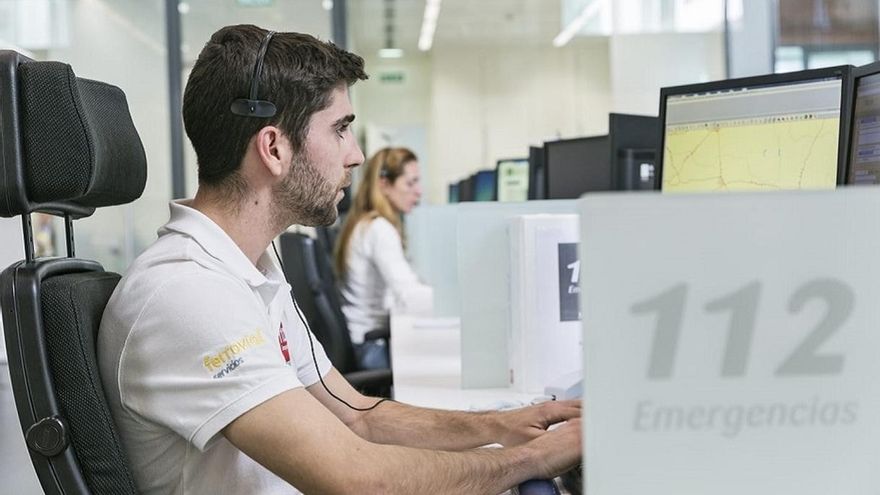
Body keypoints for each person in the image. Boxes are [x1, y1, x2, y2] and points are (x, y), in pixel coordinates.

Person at [98, 24, 580, 494]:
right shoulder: (187, 294)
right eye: (341, 130)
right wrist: (530, 460)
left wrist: (503, 425)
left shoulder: (247, 268)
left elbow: (356, 416)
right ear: (274, 148)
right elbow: (358, 479)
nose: (356, 155)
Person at [333, 147, 428, 370]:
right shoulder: (379, 229)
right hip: (370, 348)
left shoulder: (363, 223)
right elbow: (410, 295)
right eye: (410, 183)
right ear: (384, 184)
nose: (419, 191)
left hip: (360, 340)